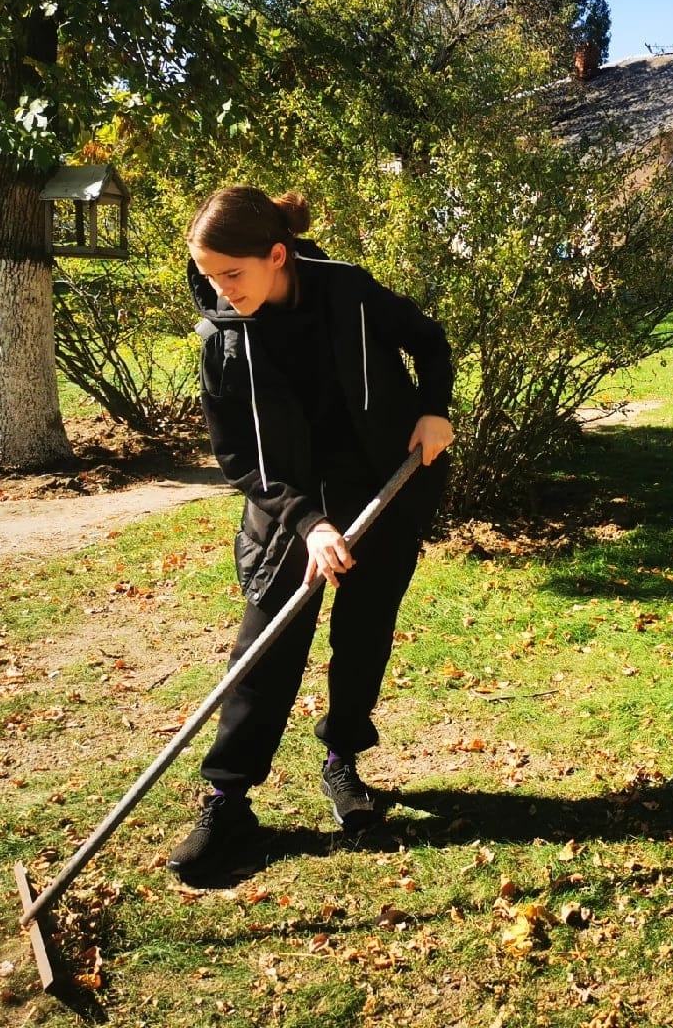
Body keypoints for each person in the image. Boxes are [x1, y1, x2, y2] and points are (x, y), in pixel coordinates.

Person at [172, 185, 455, 880]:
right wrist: (308, 524)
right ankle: (227, 800)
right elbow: (240, 458)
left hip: (382, 490)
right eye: (208, 276)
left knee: (364, 633)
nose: (219, 290)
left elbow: (428, 341)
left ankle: (343, 762)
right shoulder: (224, 342)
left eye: (231, 275)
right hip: (288, 506)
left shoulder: (347, 291)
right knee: (266, 647)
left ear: (277, 255)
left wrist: (433, 410)